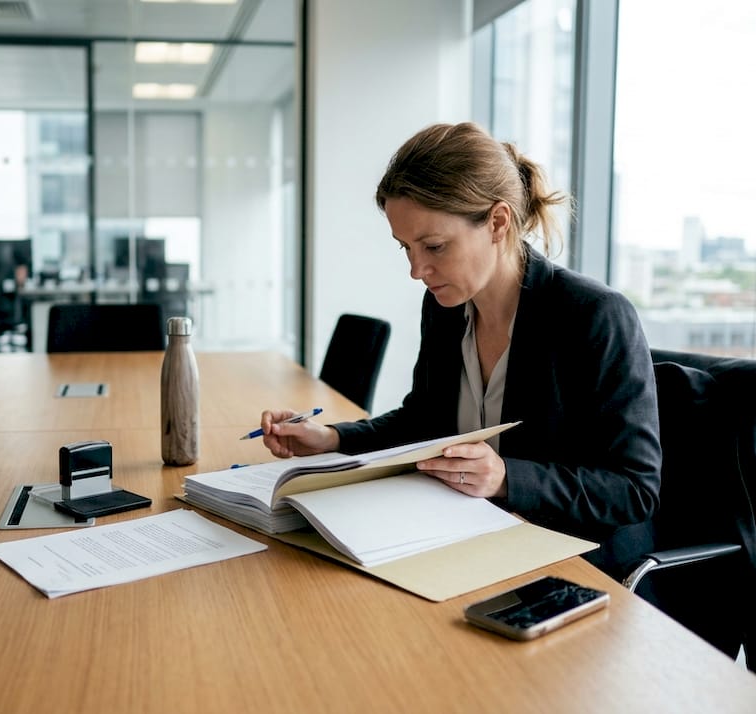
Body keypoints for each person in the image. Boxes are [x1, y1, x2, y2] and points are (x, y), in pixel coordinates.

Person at [259, 122, 661, 574]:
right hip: (474, 541)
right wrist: (331, 438)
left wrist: (507, 477)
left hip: (574, 564)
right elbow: (423, 420)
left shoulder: (593, 315)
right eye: (405, 248)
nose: (417, 269)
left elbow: (634, 489)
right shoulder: (447, 308)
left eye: (434, 246)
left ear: (497, 221)